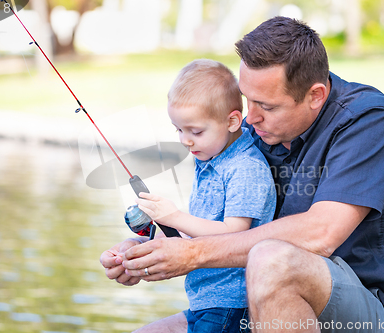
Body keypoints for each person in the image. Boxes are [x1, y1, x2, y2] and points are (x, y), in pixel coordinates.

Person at [100, 17, 384, 333]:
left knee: (272, 259)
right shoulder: (255, 136)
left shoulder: (368, 122)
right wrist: (149, 252)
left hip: (382, 315)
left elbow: (321, 233)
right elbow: (224, 230)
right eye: (248, 100)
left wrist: (192, 255)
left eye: (268, 106)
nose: (250, 118)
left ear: (315, 96)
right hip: (259, 308)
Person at [114, 59, 276, 332]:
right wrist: (137, 251)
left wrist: (175, 216)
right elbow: (199, 231)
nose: (184, 140)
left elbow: (234, 233)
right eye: (178, 129)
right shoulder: (210, 158)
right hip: (205, 301)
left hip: (232, 305)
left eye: (196, 131)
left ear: (233, 121)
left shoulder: (245, 168)